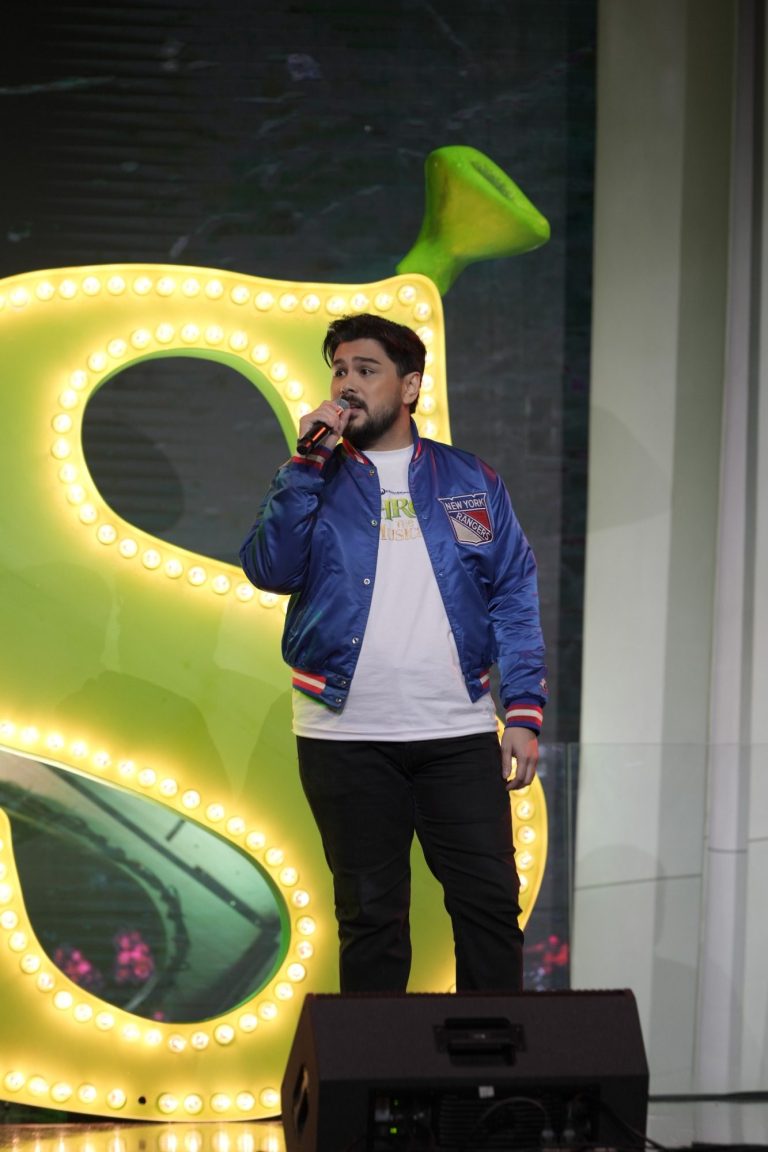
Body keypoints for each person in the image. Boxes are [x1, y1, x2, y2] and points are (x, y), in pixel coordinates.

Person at [240, 313, 547, 994]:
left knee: (490, 910)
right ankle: (378, 1068)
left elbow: (512, 592)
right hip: (345, 735)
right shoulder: (313, 476)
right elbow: (270, 569)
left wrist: (524, 708)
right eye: (339, 370)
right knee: (372, 922)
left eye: (366, 370)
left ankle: (488, 1061)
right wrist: (303, 464)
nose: (347, 384)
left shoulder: (467, 481)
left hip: (456, 730)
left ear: (409, 387)